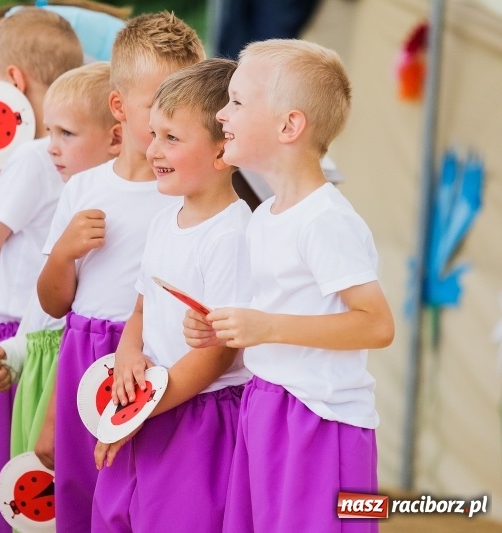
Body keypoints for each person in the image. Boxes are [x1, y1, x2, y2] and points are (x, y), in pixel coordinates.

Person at [184, 39, 395, 533]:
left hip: (320, 423)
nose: (221, 113)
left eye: (236, 101)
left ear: (289, 125)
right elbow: (276, 314)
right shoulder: (267, 217)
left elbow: (377, 324)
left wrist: (267, 326)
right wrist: (226, 329)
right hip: (267, 405)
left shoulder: (326, 221)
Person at [36, 12, 204, 532]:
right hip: (83, 353)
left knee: (136, 500)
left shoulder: (187, 195)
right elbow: (53, 304)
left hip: (151, 365)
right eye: (159, 102)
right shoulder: (84, 190)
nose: (171, 117)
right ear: (119, 106)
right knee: (78, 495)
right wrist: (63, 253)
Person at [90, 57, 251, 532]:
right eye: (154, 133)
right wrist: (126, 354)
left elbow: (219, 353)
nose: (151, 147)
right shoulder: (164, 220)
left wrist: (140, 411)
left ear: (224, 151)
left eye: (172, 138)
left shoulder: (232, 236)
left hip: (198, 416)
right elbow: (143, 303)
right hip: (149, 404)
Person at [0, 8, 82, 531]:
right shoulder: (66, 158)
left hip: (10, 336)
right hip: (44, 334)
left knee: (2, 483)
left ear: (12, 83)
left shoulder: (31, 159)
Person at [0, 61, 121, 461]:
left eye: (67, 134)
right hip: (40, 367)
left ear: (116, 138)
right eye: (48, 132)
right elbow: (44, 308)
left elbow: (72, 312)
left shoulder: (106, 211)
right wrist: (19, 351)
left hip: (72, 372)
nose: (52, 146)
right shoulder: (72, 198)